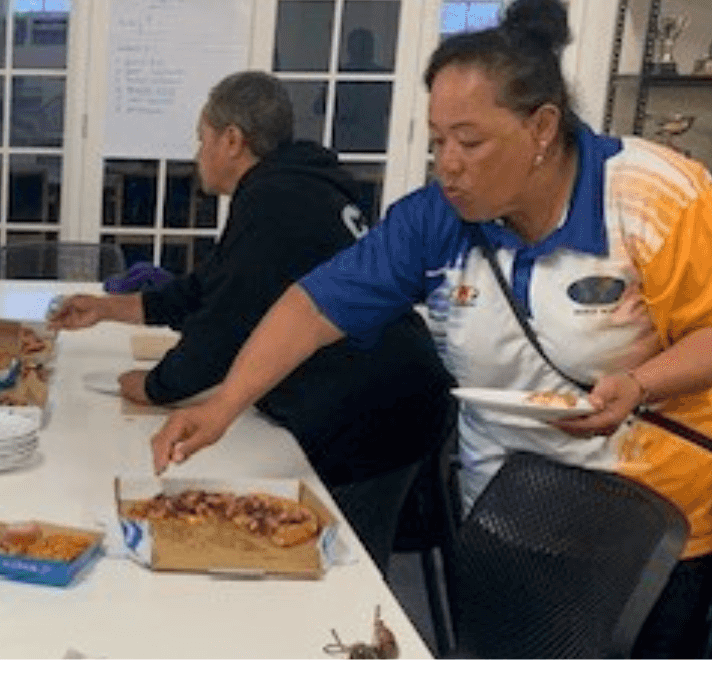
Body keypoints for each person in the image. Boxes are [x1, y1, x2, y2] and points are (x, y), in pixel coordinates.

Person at [152, 0, 712, 658]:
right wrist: (224, 404)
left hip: (652, 527)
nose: (447, 162)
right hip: (504, 513)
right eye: (438, 141)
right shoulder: (439, 216)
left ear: (542, 128)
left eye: (470, 141)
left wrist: (640, 382)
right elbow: (313, 307)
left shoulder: (653, 193)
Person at [49, 71, 451, 567]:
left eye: (202, 140)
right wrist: (108, 309)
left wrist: (156, 387)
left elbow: (224, 325)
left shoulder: (274, 200)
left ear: (232, 140)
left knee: (339, 569)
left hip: (372, 412)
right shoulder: (299, 188)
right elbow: (210, 288)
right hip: (396, 393)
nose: (198, 154)